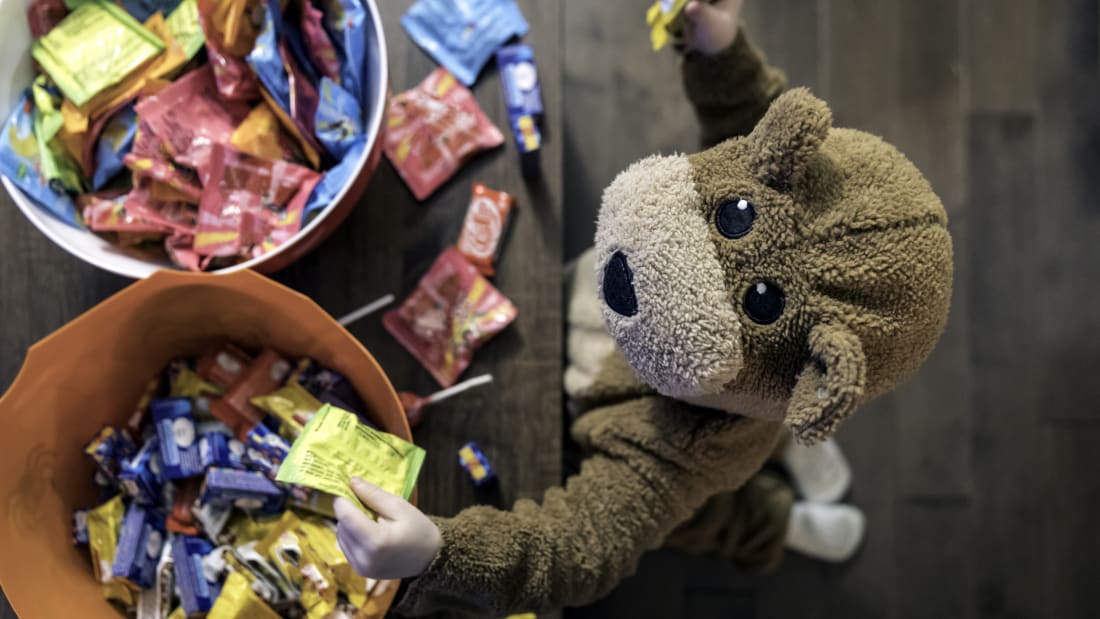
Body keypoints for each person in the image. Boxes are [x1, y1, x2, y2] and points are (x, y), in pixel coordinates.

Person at [333, 0, 948, 614]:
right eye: (732, 214)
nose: (653, 262)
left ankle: (777, 527)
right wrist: (720, 47)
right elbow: (748, 123)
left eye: (763, 303)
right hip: (699, 375)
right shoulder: (765, 168)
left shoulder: (688, 445)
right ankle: (793, 438)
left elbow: (579, 548)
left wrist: (438, 551)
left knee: (702, 517)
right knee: (768, 419)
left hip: (678, 435)